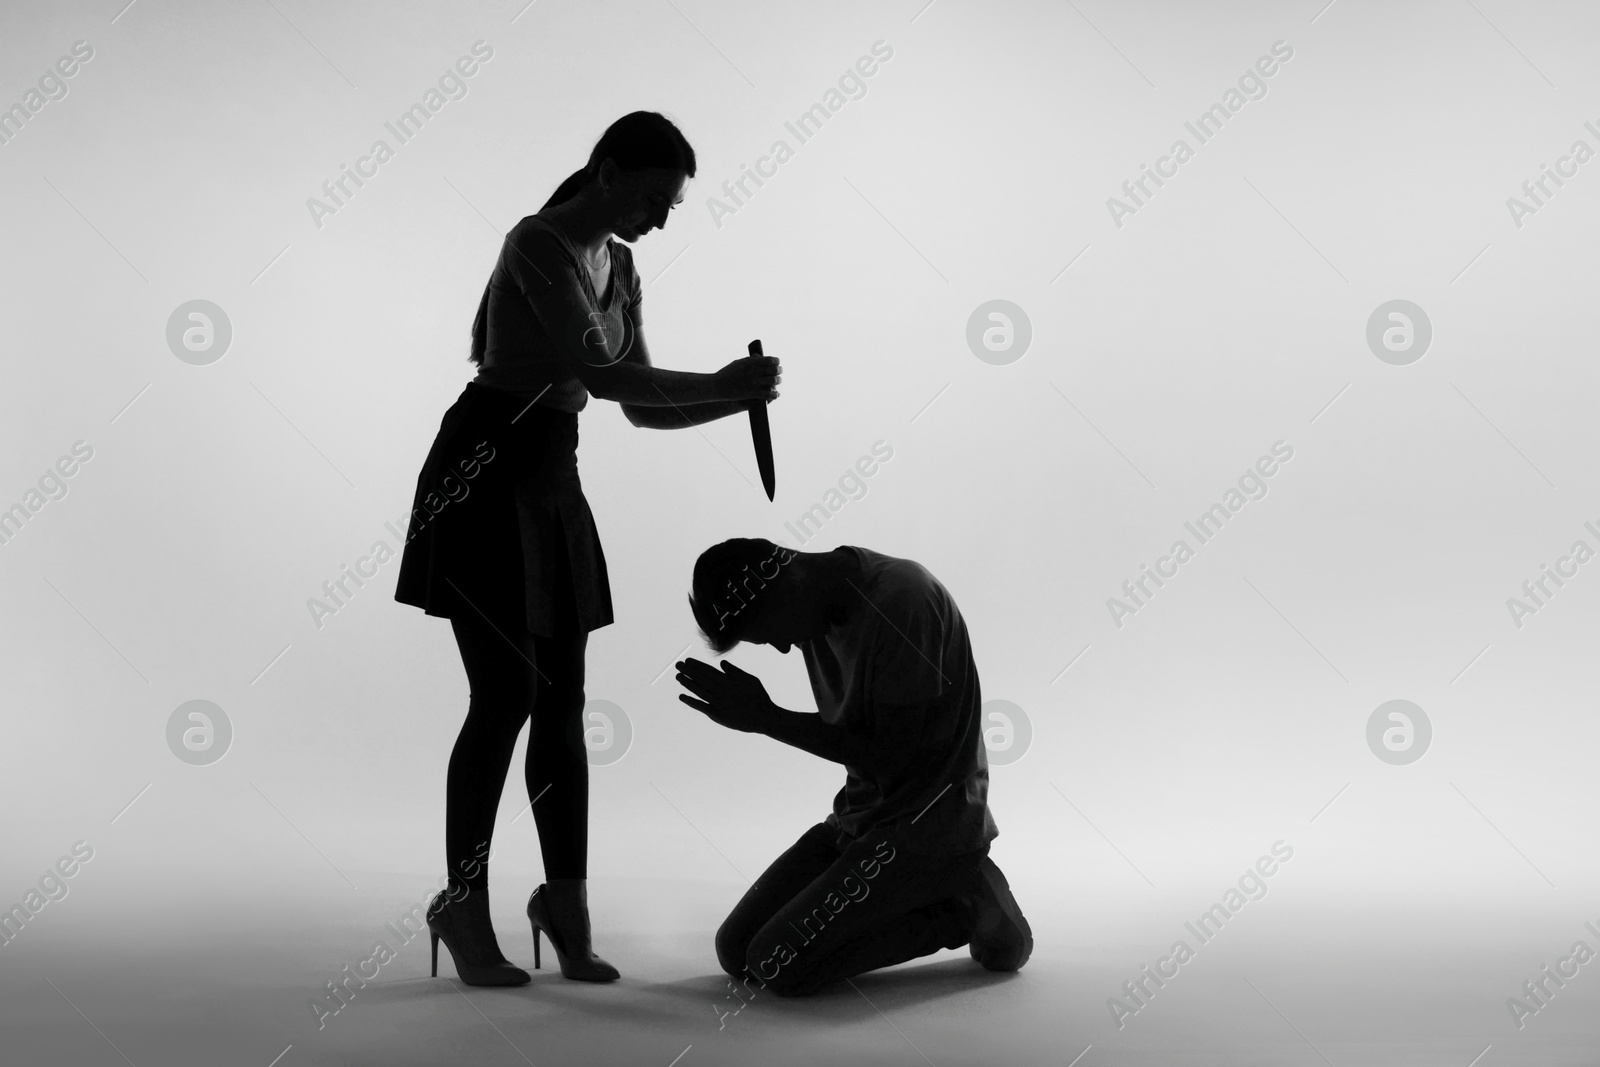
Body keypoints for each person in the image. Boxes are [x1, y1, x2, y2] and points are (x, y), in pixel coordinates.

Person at [395, 112, 782, 986]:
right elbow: (607, 377)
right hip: (485, 469)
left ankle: (563, 906)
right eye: (653, 197)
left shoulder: (625, 264)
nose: (661, 217)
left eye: (672, 204)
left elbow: (638, 407)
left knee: (562, 700)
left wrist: (733, 396)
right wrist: (723, 383)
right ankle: (461, 903)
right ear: (606, 172)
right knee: (505, 697)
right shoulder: (536, 244)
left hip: (553, 474)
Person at [676, 539, 1032, 997]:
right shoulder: (811, 604)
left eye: (771, 632)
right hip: (859, 820)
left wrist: (767, 719)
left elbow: (894, 754)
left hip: (927, 829)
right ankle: (924, 891)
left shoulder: (903, 601)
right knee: (735, 950)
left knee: (777, 964)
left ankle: (960, 904)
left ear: (792, 579)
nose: (785, 648)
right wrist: (762, 718)